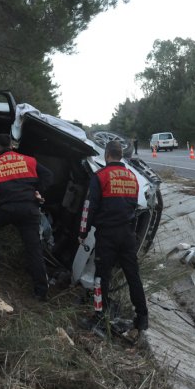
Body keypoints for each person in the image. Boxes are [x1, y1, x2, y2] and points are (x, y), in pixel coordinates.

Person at [0, 134, 53, 301]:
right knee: (34, 250)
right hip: (29, 210)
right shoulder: (29, 160)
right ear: (12, 145)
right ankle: (41, 292)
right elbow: (48, 175)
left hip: (5, 210)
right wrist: (39, 191)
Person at [78, 140, 148, 331]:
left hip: (107, 234)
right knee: (133, 275)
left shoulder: (100, 176)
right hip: (127, 234)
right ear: (121, 156)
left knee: (101, 277)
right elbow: (134, 207)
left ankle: (99, 317)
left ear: (107, 155)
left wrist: (82, 232)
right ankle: (142, 318)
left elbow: (88, 207)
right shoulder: (132, 177)